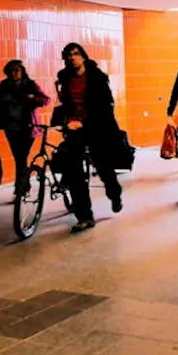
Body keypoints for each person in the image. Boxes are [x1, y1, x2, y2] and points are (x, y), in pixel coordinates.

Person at [55, 42, 123, 232]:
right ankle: (84, 216)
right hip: (74, 128)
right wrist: (66, 121)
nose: (72, 57)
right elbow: (64, 103)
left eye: (76, 54)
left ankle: (114, 193)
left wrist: (84, 123)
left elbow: (105, 107)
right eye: (68, 55)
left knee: (103, 167)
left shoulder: (96, 77)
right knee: (73, 171)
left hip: (96, 127)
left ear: (83, 56)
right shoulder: (65, 78)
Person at [0, 60, 49, 198]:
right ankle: (23, 187)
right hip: (11, 127)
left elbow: (46, 100)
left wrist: (33, 97)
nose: (13, 73)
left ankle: (21, 188)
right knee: (19, 158)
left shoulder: (30, 84)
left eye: (16, 70)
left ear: (22, 71)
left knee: (21, 158)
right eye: (10, 71)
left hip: (28, 128)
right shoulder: (4, 86)